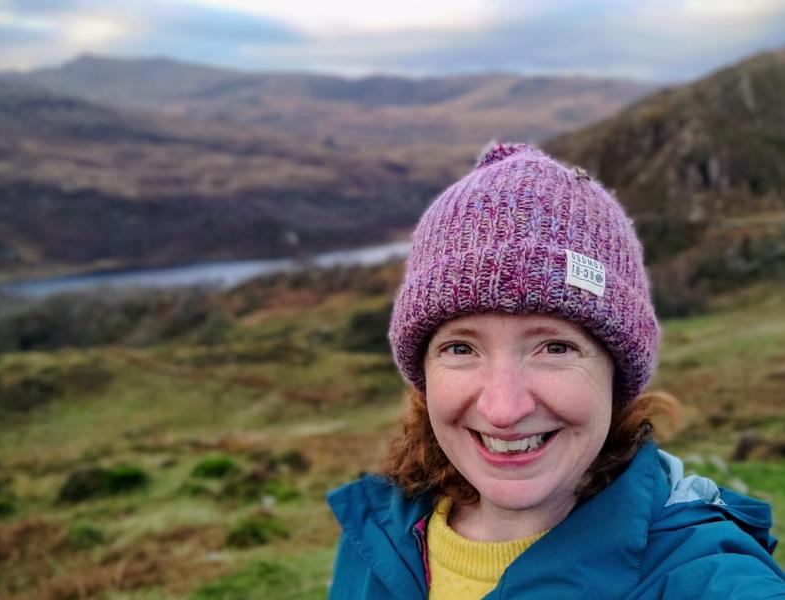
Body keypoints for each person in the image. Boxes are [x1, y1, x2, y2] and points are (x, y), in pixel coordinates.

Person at [326, 143, 785, 599]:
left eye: (555, 347)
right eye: (461, 348)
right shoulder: (378, 536)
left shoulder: (705, 579)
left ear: (616, 374)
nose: (504, 410)